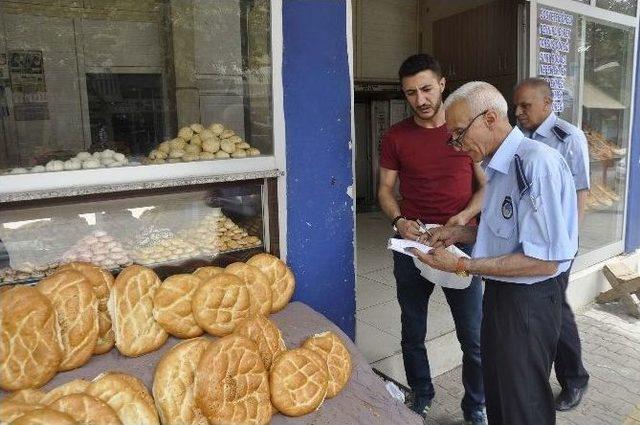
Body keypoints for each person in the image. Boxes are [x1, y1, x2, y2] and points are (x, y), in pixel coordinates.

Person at [412, 81, 578, 425]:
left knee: (524, 406)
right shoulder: (497, 167)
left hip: (528, 304)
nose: (457, 145)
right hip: (502, 296)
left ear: (489, 118)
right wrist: (460, 232)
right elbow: (512, 235)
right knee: (501, 395)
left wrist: (461, 264)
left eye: (459, 133)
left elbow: (543, 259)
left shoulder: (536, 164)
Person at [378, 54, 487, 425]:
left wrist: (462, 217)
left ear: (442, 84)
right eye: (411, 93)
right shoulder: (395, 137)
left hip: (461, 244)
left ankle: (476, 406)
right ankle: (421, 395)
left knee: (473, 337)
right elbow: (385, 190)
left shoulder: (462, 130)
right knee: (413, 329)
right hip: (413, 244)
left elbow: (486, 188)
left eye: (426, 89)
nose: (420, 100)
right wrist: (399, 219)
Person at [514, 77, 590, 411]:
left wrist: (566, 246)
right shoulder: (521, 138)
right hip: (528, 241)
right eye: (516, 106)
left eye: (525, 106)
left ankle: (574, 379)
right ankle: (536, 375)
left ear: (547, 104)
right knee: (539, 309)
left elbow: (580, 193)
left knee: (555, 309)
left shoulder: (568, 137)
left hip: (557, 247)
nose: (518, 112)